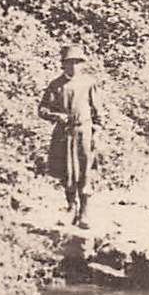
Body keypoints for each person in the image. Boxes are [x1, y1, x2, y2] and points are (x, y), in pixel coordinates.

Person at [39, 44, 102, 229]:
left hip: (84, 132)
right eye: (69, 63)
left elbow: (97, 111)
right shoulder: (56, 85)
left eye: (76, 63)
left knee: (85, 171)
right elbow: (42, 109)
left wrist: (96, 131)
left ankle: (85, 213)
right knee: (67, 172)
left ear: (82, 64)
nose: (73, 67)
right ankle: (70, 207)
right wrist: (56, 116)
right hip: (64, 134)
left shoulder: (89, 83)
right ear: (63, 65)